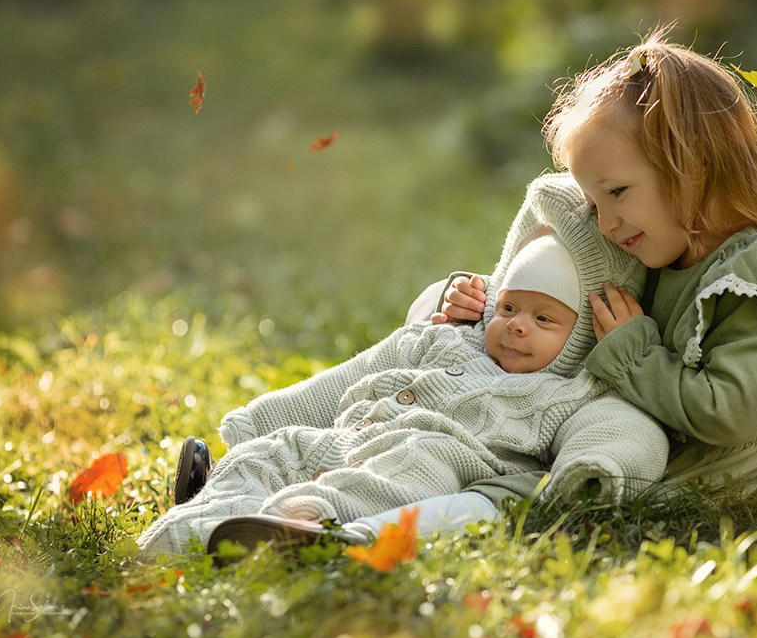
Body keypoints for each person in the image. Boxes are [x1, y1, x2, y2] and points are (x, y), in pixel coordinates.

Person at [422, 27, 757, 518]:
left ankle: (414, 522)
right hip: (655, 426)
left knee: (550, 485)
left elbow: (727, 415)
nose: (605, 222)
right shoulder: (663, 248)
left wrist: (633, 352)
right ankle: (390, 480)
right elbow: (562, 309)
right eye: (595, 202)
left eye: (618, 192)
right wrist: (488, 303)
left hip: (732, 461)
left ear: (693, 162)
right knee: (502, 437)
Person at [135, 175, 668, 559]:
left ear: (582, 335)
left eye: (545, 319)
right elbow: (353, 374)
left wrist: (595, 467)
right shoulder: (451, 340)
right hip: (347, 436)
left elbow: (628, 431)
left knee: (373, 482)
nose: (518, 326)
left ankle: (294, 525)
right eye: (508, 308)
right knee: (268, 455)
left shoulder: (572, 392)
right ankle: (189, 526)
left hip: (430, 461)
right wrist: (264, 420)